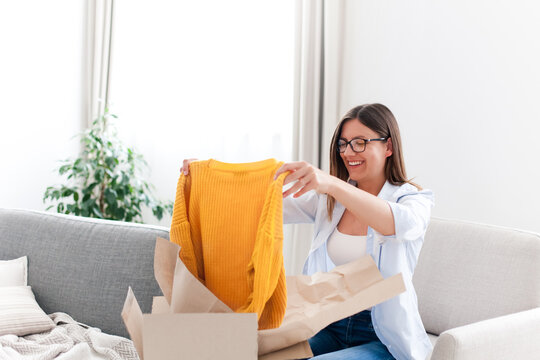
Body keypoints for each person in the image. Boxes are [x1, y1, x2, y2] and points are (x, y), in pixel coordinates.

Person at [180, 103, 433, 360]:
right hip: (328, 323)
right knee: (252, 353)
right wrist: (207, 176)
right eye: (343, 144)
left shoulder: (412, 200)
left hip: (382, 336)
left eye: (359, 142)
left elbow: (397, 224)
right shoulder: (327, 201)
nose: (348, 152)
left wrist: (331, 183)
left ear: (388, 146)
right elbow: (261, 204)